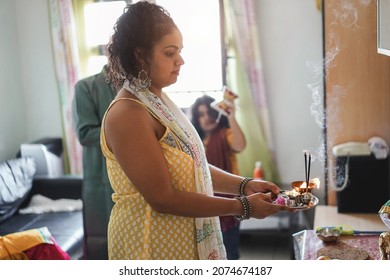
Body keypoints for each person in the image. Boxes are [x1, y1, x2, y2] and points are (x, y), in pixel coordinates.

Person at [101, 1, 293, 260]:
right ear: (140, 55)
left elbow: (195, 166)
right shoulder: (127, 113)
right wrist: (242, 207)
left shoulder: (158, 102)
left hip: (181, 240)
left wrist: (244, 185)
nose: (180, 61)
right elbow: (162, 198)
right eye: (169, 53)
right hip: (150, 246)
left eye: (179, 51)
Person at [190, 94, 246, 260]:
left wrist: (232, 117)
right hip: (203, 202)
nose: (206, 118)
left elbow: (240, 145)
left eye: (210, 113)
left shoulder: (225, 134)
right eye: (201, 114)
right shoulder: (194, 142)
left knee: (230, 250)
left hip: (231, 202)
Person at [72, 64, 116, 259]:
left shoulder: (137, 87)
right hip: (101, 175)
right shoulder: (86, 87)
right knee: (104, 240)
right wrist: (127, 131)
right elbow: (85, 134)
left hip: (133, 174)